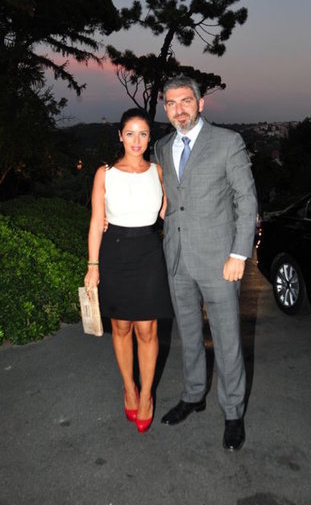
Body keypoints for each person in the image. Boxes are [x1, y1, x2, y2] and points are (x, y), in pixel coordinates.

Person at [154, 76, 258, 451]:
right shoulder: (161, 147)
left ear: (201, 103)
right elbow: (164, 200)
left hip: (219, 261)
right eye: (171, 103)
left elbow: (247, 201)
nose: (178, 109)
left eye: (186, 101)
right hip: (177, 258)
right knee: (188, 334)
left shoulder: (228, 142)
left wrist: (238, 254)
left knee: (227, 339)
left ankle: (233, 413)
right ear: (165, 108)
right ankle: (194, 394)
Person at [84, 108, 173, 434]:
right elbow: (97, 221)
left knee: (147, 329)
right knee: (121, 327)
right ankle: (129, 388)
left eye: (143, 133)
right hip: (115, 253)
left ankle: (146, 394)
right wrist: (93, 265)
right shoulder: (104, 174)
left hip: (148, 253)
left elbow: (170, 213)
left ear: (150, 138)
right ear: (120, 136)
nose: (137, 140)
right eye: (130, 133)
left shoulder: (159, 172)